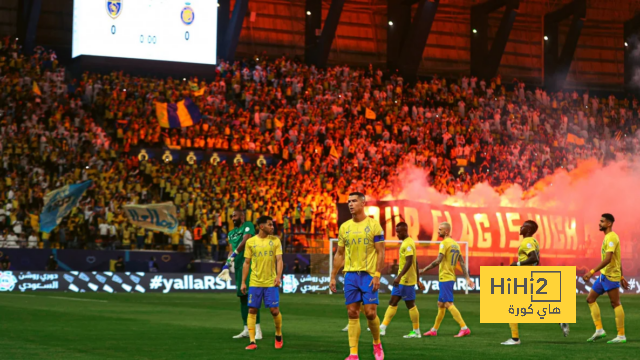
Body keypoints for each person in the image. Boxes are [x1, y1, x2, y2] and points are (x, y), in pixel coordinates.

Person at [330, 192, 386, 360]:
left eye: (354, 201)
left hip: (368, 276)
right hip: (350, 275)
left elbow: (381, 252)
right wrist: (333, 275)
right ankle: (353, 353)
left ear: (363, 203)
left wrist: (377, 275)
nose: (350, 204)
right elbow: (339, 253)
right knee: (352, 313)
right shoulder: (344, 227)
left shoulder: (374, 225)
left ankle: (377, 343)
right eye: (349, 201)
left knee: (370, 313)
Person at [499, 220, 569, 345]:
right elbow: (536, 260)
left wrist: (518, 264)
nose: (521, 227)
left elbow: (534, 258)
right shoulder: (534, 241)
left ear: (529, 230)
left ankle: (515, 339)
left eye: (524, 226)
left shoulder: (527, 242)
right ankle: (560, 319)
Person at [420, 222, 474, 338]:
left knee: (448, 303)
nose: (438, 231)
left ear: (446, 232)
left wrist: (424, 269)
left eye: (440, 229)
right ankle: (434, 330)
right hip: (450, 277)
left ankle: (464, 327)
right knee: (441, 304)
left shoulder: (444, 243)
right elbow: (462, 263)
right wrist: (467, 278)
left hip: (445, 277)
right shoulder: (456, 245)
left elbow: (438, 260)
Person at [582, 214, 629, 344]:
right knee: (590, 299)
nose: (599, 223)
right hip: (604, 275)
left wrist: (591, 272)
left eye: (602, 221)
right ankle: (599, 330)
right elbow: (617, 259)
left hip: (610, 276)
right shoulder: (607, 237)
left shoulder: (612, 237)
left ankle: (621, 335)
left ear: (609, 223)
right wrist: (623, 276)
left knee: (615, 303)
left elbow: (608, 259)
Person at [240, 216, 284, 350]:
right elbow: (246, 263)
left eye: (273, 224)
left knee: (274, 311)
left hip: (270, 282)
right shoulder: (251, 242)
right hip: (255, 282)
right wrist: (243, 282)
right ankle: (252, 342)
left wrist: (278, 276)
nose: (273, 227)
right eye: (270, 225)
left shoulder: (275, 240)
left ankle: (278, 334)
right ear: (261, 226)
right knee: (252, 310)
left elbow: (279, 260)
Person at [380, 222, 425, 338]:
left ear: (405, 230)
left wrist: (399, 277)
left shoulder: (408, 244)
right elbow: (416, 262)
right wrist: (418, 280)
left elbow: (410, 262)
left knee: (410, 305)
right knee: (392, 302)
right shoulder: (406, 243)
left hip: (406, 280)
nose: (397, 234)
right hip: (402, 280)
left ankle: (416, 331)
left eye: (399, 232)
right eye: (396, 231)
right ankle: (382, 328)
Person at [223, 209, 262, 340]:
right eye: (232, 216)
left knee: (252, 296)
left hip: (249, 264)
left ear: (242, 216)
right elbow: (230, 250)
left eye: (235, 215)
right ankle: (246, 329)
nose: (233, 218)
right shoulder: (231, 233)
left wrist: (235, 253)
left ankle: (258, 330)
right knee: (242, 297)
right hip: (238, 267)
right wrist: (227, 264)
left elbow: (247, 239)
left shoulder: (248, 225)